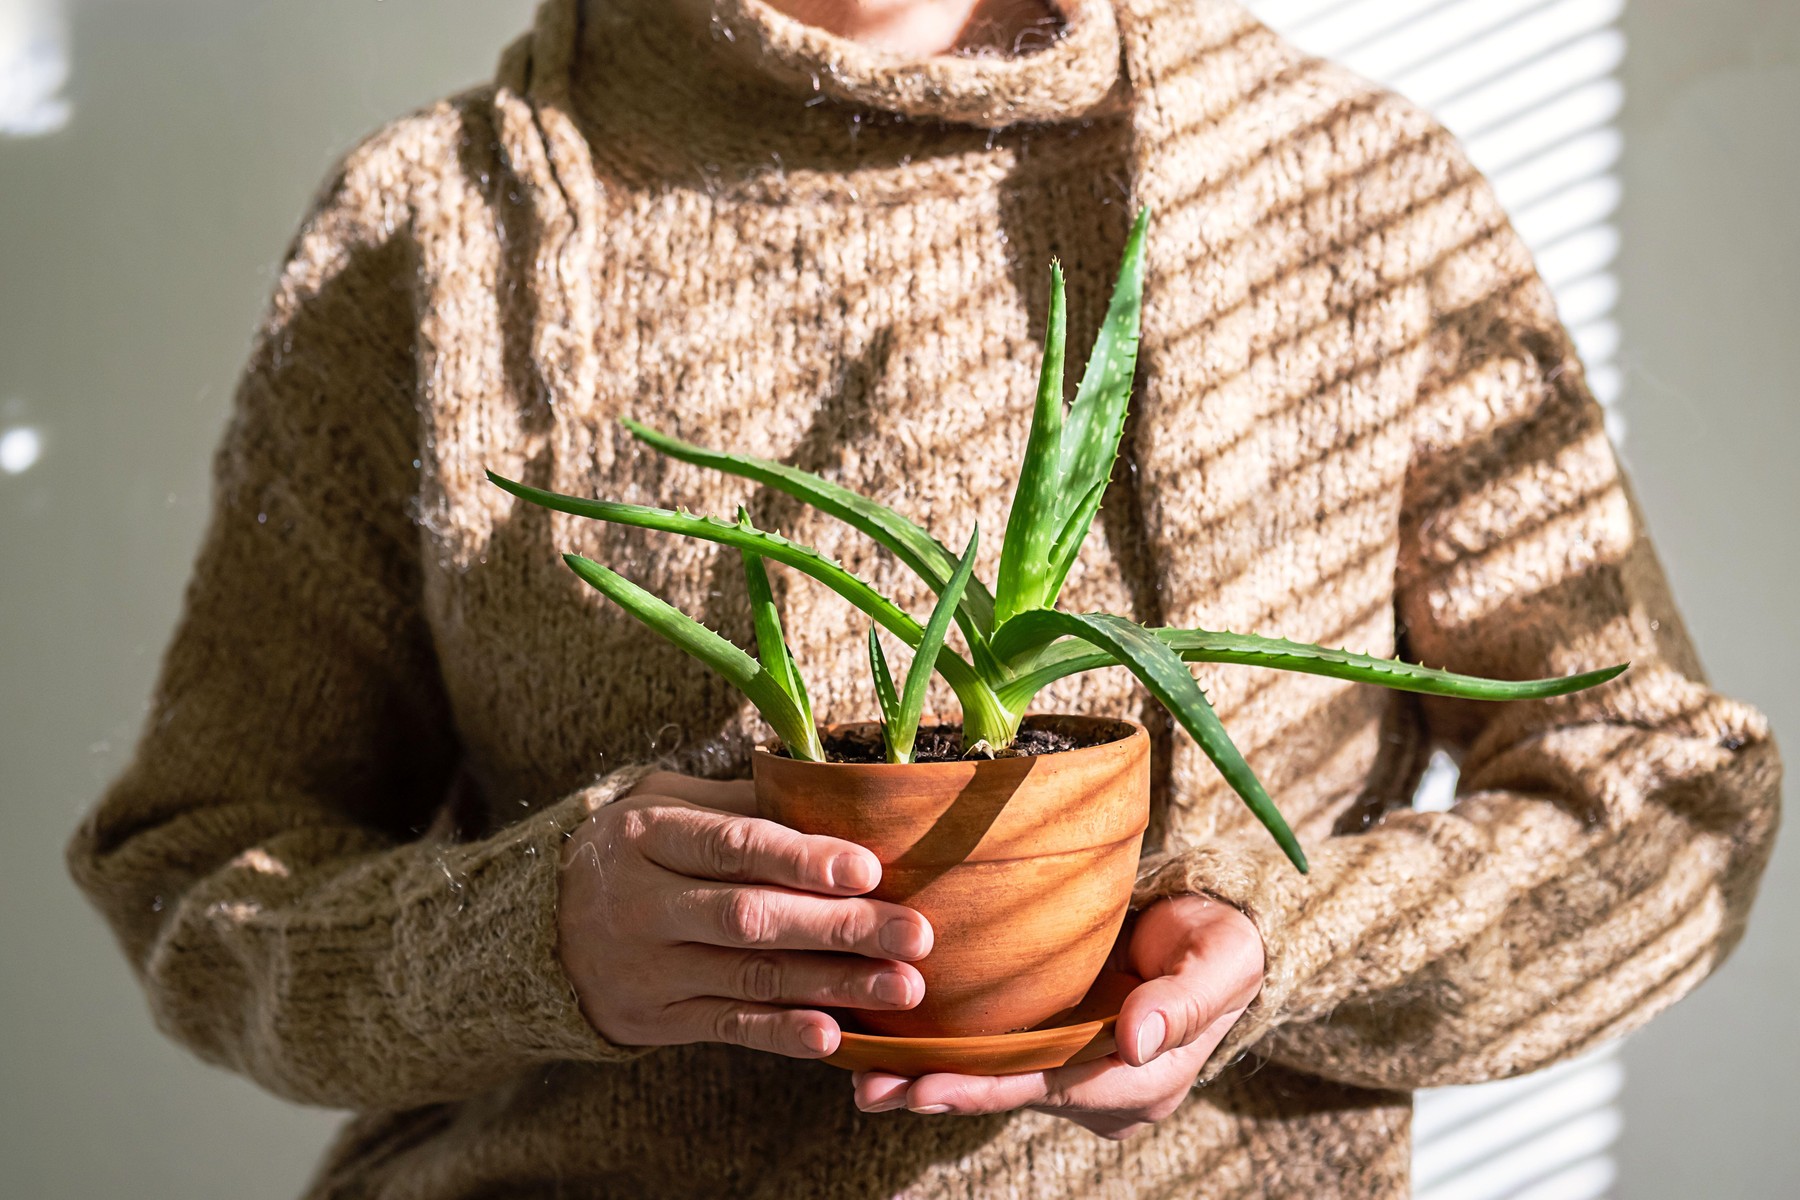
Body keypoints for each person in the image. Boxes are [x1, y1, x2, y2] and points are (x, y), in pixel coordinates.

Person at [68, 1, 1781, 1197]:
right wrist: (534, 939)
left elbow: (1667, 798)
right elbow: (200, 867)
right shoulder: (438, 232)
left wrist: (1275, 949)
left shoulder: (1343, 191)